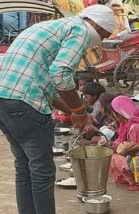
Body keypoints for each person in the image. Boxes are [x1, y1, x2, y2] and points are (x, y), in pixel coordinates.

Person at [0, 5, 115, 214]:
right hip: (26, 103)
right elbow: (60, 73)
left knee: (25, 167)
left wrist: (76, 112)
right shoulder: (81, 30)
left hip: (4, 100)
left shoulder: (51, 26)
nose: (100, 41)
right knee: (42, 171)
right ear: (98, 28)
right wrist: (79, 110)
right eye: (104, 36)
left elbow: (49, 85)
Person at [106, 95, 139, 190]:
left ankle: (135, 182)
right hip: (131, 157)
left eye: (113, 113)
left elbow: (134, 152)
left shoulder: (135, 127)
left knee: (114, 158)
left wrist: (118, 150)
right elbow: (119, 142)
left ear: (119, 113)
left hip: (138, 161)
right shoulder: (125, 124)